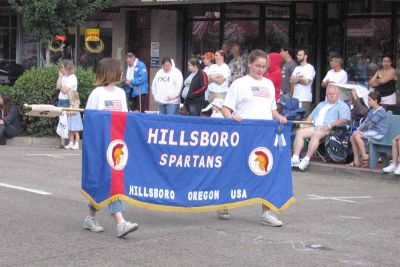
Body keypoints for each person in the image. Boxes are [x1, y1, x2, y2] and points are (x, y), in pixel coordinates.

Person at [220, 49, 288, 227]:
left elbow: (272, 110)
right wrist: (231, 119)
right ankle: (224, 202)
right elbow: (226, 108)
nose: (260, 69)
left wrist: (279, 117)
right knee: (236, 170)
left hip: (264, 136)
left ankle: (266, 212)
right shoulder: (239, 84)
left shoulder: (269, 84)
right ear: (249, 64)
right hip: (243, 134)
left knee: (266, 171)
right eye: (257, 66)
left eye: (264, 67)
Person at [84, 58, 138, 238]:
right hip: (101, 145)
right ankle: (121, 222)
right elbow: (90, 121)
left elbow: (124, 117)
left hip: (117, 144)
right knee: (110, 180)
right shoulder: (97, 94)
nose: (122, 73)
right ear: (111, 72)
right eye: (120, 70)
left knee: (108, 181)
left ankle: (90, 217)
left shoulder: (121, 93)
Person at [291, 85, 351, 171]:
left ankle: (306, 159)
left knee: (317, 133)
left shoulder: (342, 106)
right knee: (300, 132)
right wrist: (305, 124)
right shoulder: (321, 104)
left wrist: (329, 126)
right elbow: (311, 116)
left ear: (338, 94)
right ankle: (295, 157)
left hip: (329, 129)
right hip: (314, 126)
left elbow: (344, 120)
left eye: (333, 93)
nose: (331, 95)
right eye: (329, 94)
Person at [349, 91, 388, 168]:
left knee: (356, 135)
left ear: (376, 101)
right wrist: (359, 129)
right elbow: (366, 121)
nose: (368, 102)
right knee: (352, 137)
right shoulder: (371, 110)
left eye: (369, 100)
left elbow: (371, 123)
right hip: (371, 131)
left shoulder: (381, 111)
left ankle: (364, 155)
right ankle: (356, 160)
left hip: (379, 133)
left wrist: (361, 131)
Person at [56, 59, 78, 148]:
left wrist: (61, 86)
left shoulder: (72, 77)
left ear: (66, 67)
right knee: (61, 121)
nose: (61, 68)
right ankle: (62, 143)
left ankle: (71, 142)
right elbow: (57, 86)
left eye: (62, 67)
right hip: (61, 100)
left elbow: (64, 91)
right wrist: (60, 77)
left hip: (69, 101)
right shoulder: (64, 76)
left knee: (69, 122)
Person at [290, 49, 316, 116]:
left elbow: (306, 82)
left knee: (304, 120)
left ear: (305, 56)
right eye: (297, 55)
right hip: (295, 98)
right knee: (295, 119)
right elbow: (291, 80)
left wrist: (296, 79)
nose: (297, 56)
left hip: (305, 99)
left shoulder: (310, 68)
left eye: (300, 55)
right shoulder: (297, 68)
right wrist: (301, 78)